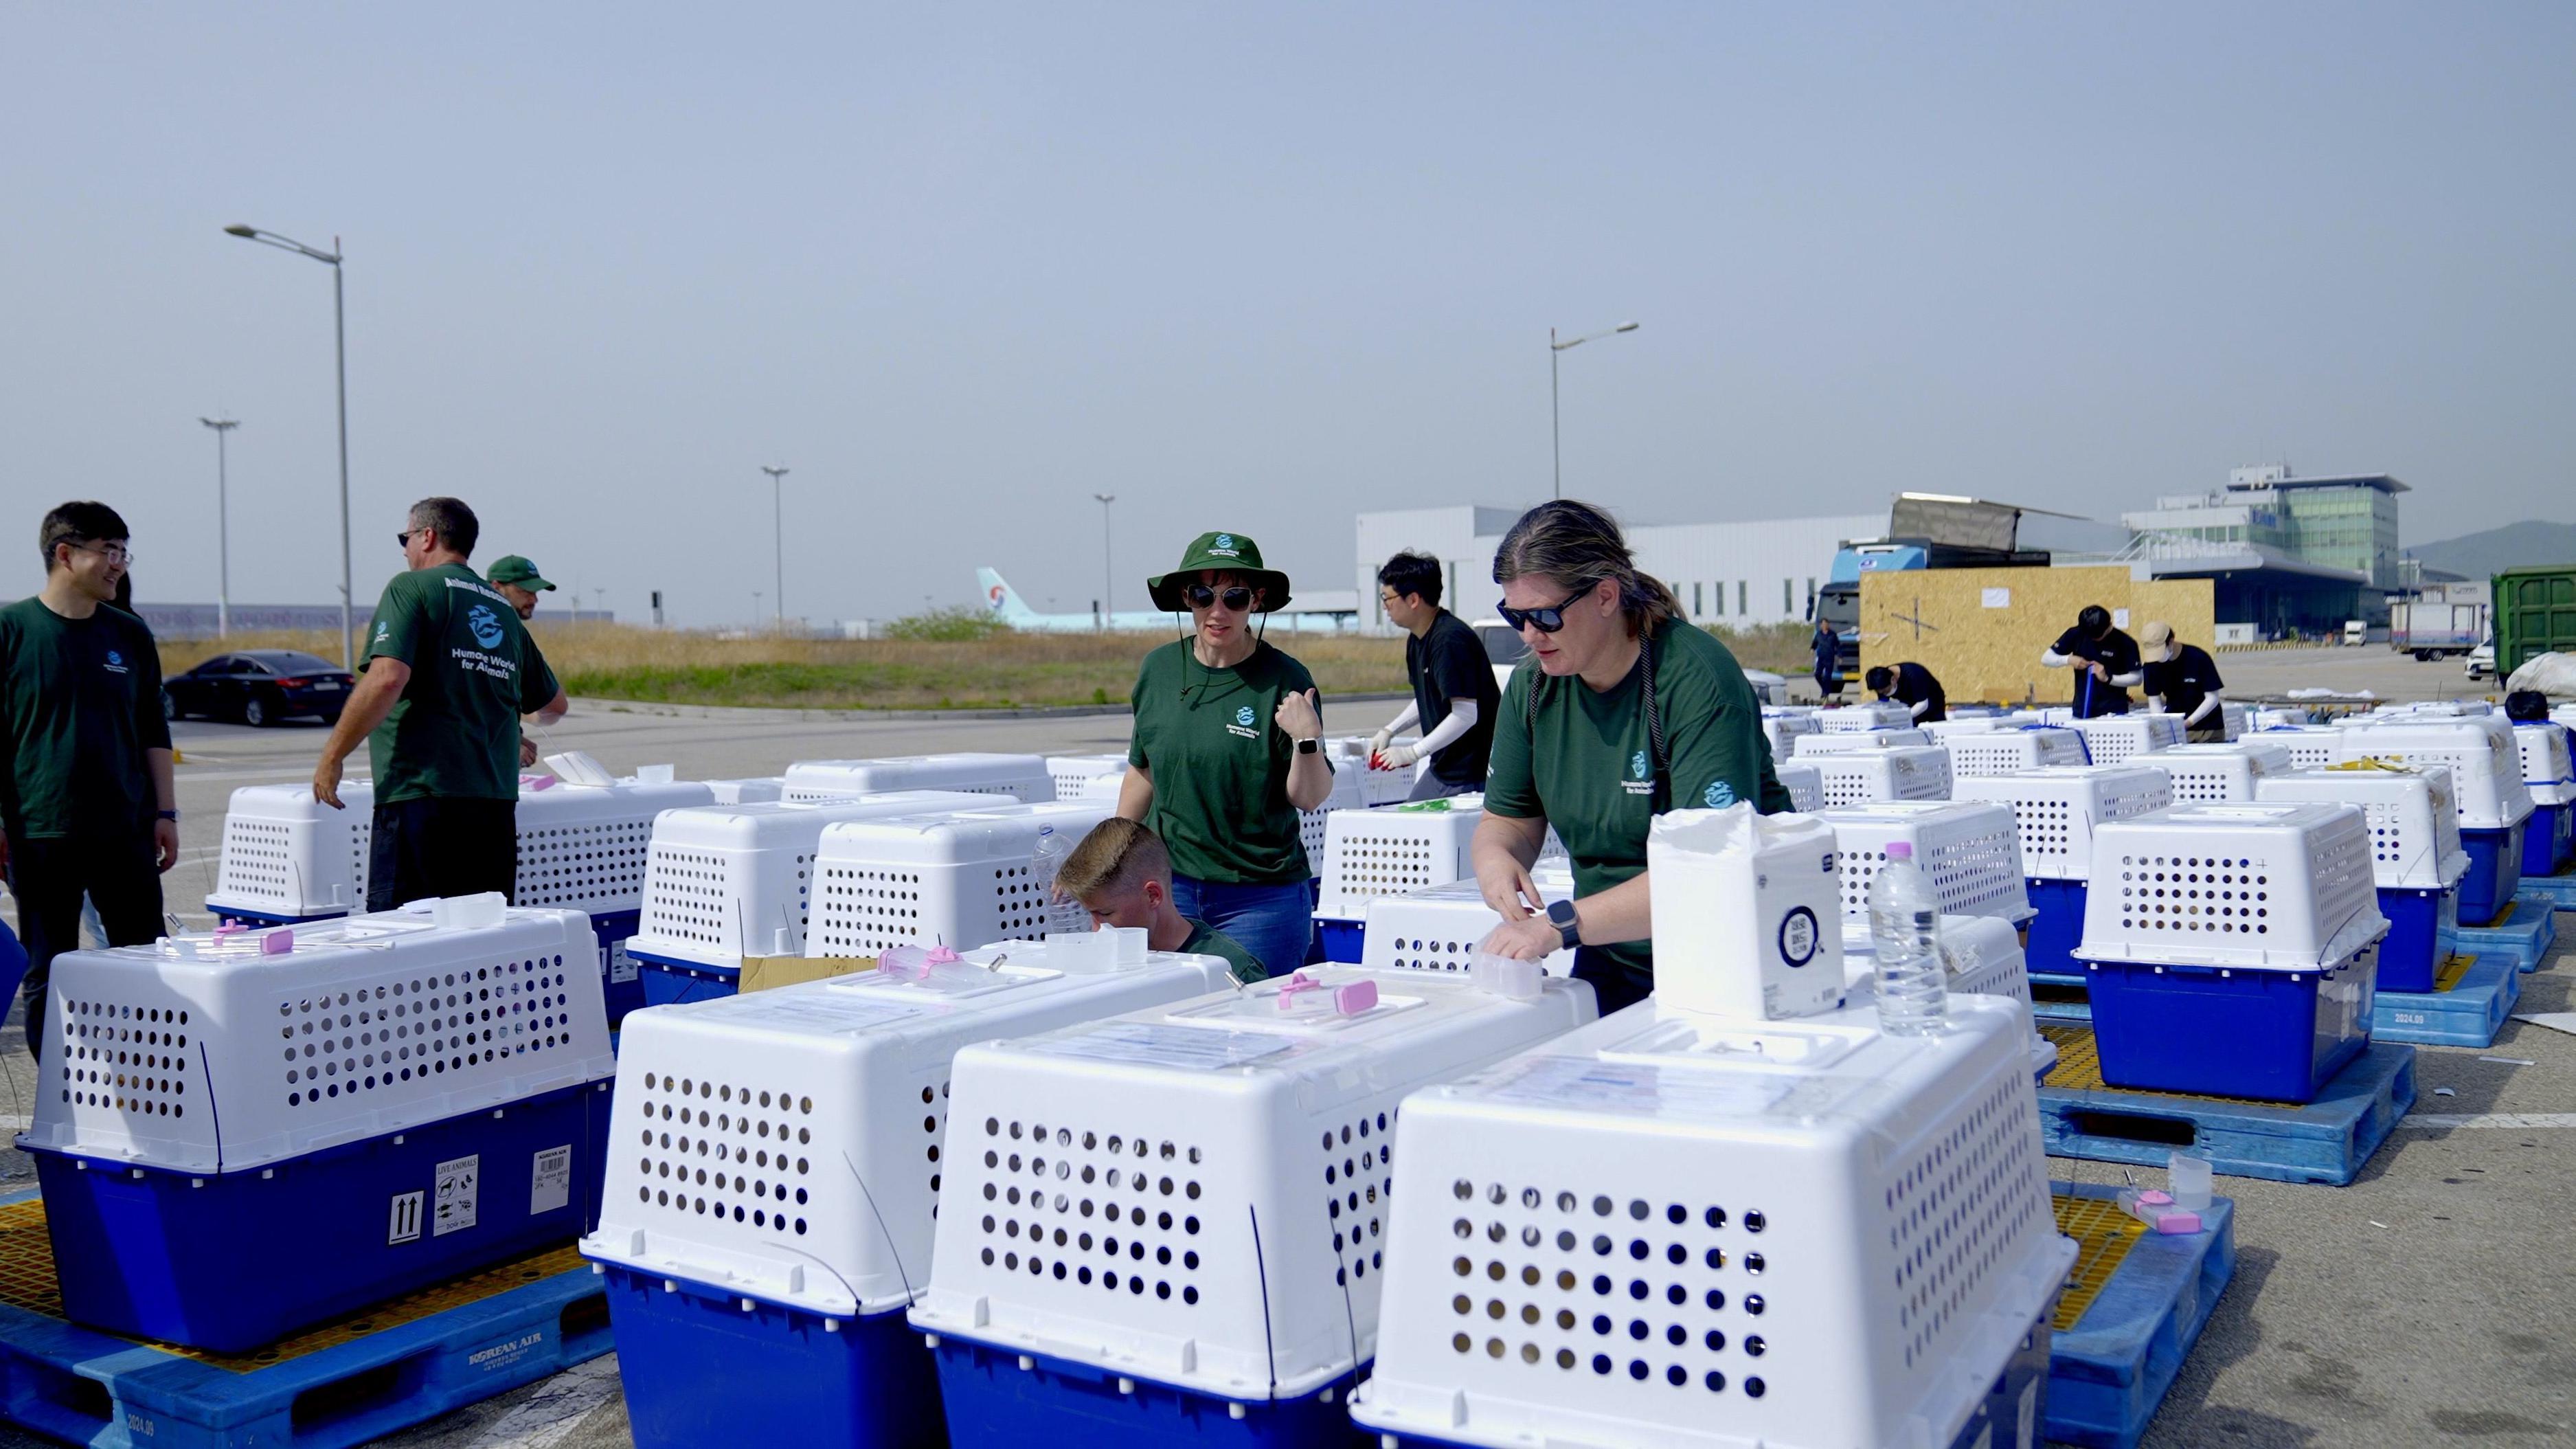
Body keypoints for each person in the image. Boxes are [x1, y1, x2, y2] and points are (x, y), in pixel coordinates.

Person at [1471, 500, 1793, 1013]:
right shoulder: (1533, 689)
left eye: (1545, 616)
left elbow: (1705, 870)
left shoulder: (1694, 680)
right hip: (1608, 957)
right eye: (1516, 616)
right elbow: (1507, 817)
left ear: (1605, 596)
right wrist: (1494, 860)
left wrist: (1558, 924)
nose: (1529, 635)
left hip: (1731, 959)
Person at [313, 498, 569, 910]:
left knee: (408, 939)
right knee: (480, 944)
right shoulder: (502, 610)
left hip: (422, 794)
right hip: (493, 806)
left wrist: (333, 755)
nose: (404, 549)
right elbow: (554, 704)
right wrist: (505, 728)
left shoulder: (411, 587)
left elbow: (387, 678)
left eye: (406, 538)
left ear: (427, 537)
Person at [0, 503, 178, 1061]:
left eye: (124, 552)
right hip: (40, 832)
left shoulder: (129, 634)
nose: (118, 565)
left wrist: (167, 814)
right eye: (110, 550)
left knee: (144, 964)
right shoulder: (12, 629)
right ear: (65, 553)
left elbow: (154, 729)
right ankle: (60, 1101)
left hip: (125, 829)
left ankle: (151, 1088)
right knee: (48, 972)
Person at [1118, 531, 1334, 979]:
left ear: (1255, 601)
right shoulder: (1157, 671)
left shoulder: (1284, 678)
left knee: (1255, 1026)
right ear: (1186, 598)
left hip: (1259, 899)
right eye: (1203, 595)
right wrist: (1112, 857)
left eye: (1234, 597)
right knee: (1172, 1023)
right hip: (1169, 890)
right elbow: (1143, 772)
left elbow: (1309, 797)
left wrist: (1306, 738)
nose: (1218, 612)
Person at [1056, 818, 1265, 983]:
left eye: (1105, 914)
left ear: (1153, 896)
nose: (1096, 930)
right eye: (1090, 914)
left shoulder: (1232, 971)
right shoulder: (1102, 964)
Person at [1367, 550, 1500, 801]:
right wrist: (1389, 731)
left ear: (1413, 599)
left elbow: (1466, 714)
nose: (1385, 607)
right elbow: (1427, 697)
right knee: (1407, 825)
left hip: (1471, 773)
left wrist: (1412, 753)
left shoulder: (1449, 640)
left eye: (1387, 599)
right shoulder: (1417, 639)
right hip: (1443, 768)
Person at [488, 555, 556, 766]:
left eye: (535, 592)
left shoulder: (513, 632)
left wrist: (515, 734)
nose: (534, 599)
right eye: (525, 591)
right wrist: (508, 742)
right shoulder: (488, 633)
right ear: (497, 587)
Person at [2042, 605, 2143, 719]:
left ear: (2109, 626)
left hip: (2113, 713)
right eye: (2089, 636)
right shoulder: (2076, 634)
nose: (2092, 639)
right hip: (2082, 710)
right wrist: (2068, 660)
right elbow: (2046, 659)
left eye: (2097, 637)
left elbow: (2137, 678)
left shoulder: (2125, 643)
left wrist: (2108, 678)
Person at [2138, 622, 2226, 741]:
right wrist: (2163, 724)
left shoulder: (2198, 658)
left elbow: (2212, 698)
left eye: (2159, 652)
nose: (2158, 659)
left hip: (2207, 729)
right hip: (2175, 729)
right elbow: (2154, 700)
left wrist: (2189, 722)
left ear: (2171, 641)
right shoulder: (2151, 666)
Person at [1864, 661, 1947, 723]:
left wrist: (1902, 716)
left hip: (1932, 700)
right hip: (1909, 701)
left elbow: (1923, 703)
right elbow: (1884, 705)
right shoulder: (1881, 681)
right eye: (1880, 692)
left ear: (1893, 680)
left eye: (1886, 691)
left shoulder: (1913, 675)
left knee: (1935, 727)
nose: (1884, 693)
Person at [1811, 616, 1841, 701]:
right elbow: (1815, 643)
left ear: (1828, 625)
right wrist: (1812, 649)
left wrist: (1840, 656)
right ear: (1821, 625)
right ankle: (1825, 689)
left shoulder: (1833, 634)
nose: (1824, 625)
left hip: (1829, 658)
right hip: (1821, 658)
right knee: (1817, 675)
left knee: (1828, 677)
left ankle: (1825, 694)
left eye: (1826, 624)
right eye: (1823, 624)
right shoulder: (1819, 634)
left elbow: (1838, 646)